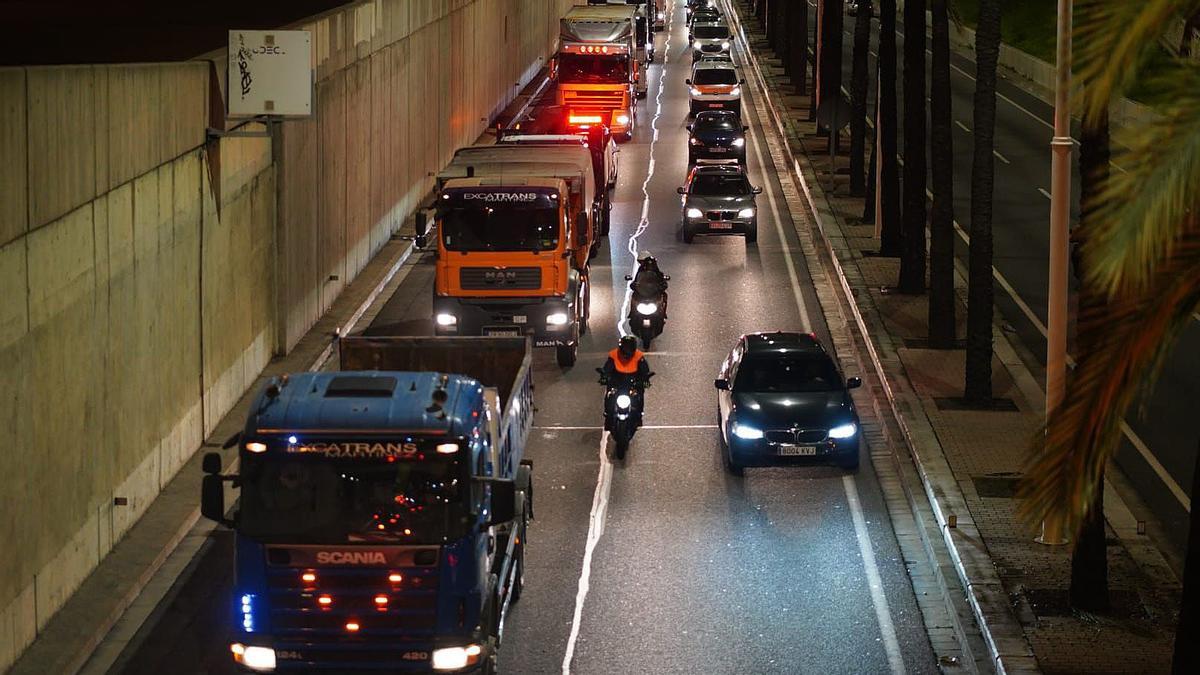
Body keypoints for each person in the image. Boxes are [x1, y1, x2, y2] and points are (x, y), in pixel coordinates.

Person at [629, 252, 669, 317]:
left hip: (653, 290)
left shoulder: (655, 269)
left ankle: (663, 312)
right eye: (640, 261)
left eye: (642, 261)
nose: (641, 263)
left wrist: (662, 284)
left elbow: (660, 277)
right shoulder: (641, 268)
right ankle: (632, 312)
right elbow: (637, 278)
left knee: (664, 295)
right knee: (634, 295)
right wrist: (634, 284)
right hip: (642, 290)